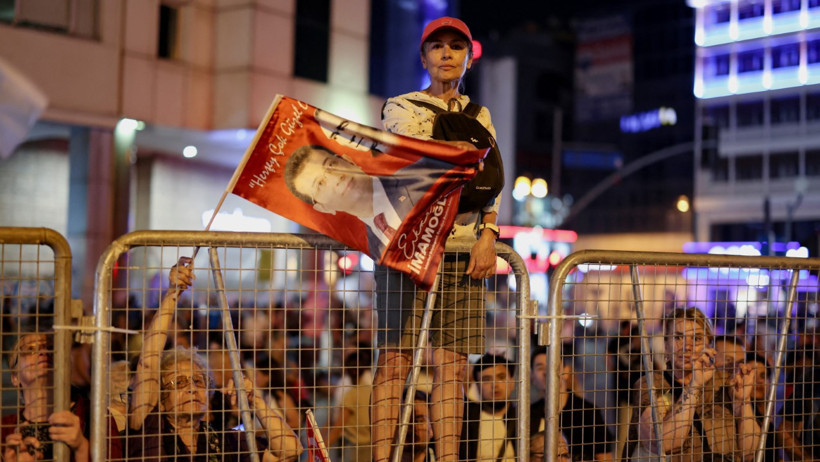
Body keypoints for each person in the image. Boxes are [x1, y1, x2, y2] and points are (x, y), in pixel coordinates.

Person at [371, 16, 502, 462]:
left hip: (463, 250)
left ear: (468, 57)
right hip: (407, 245)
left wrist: (489, 234)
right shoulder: (399, 107)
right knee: (395, 362)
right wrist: (466, 159)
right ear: (423, 56)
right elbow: (421, 164)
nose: (447, 54)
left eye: (456, 47)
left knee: (453, 367)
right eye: (437, 46)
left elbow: (492, 185)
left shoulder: (479, 115)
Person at [128, 257, 302, 461]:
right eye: (179, 382)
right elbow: (148, 361)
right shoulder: (150, 428)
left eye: (198, 381)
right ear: (162, 401)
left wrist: (256, 402)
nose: (192, 388)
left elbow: (291, 451)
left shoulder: (226, 440)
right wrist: (172, 295)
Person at [627, 307, 761, 462]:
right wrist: (694, 385)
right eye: (678, 337)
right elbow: (661, 444)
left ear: (709, 346)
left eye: (696, 339)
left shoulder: (727, 383)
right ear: (666, 345)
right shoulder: (651, 383)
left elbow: (750, 452)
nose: (687, 346)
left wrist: (743, 401)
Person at [283, 144, 452, 257]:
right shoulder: (376, 250)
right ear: (324, 208)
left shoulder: (422, 175)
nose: (335, 178)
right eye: (320, 184)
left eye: (331, 165)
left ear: (347, 160)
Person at [2, 330, 123, 461]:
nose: (43, 352)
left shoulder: (95, 416)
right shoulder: (4, 429)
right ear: (15, 377)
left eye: (51, 348)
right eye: (30, 350)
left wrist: (81, 447)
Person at [530, 345, 613, 462]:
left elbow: (604, 458)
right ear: (532, 376)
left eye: (553, 365)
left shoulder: (588, 413)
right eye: (540, 368)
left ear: (566, 371)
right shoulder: (529, 415)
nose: (547, 372)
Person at [460, 354, 517, 462]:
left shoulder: (525, 419)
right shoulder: (466, 419)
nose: (494, 384)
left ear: (512, 382)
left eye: (501, 377)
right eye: (486, 379)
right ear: (477, 386)